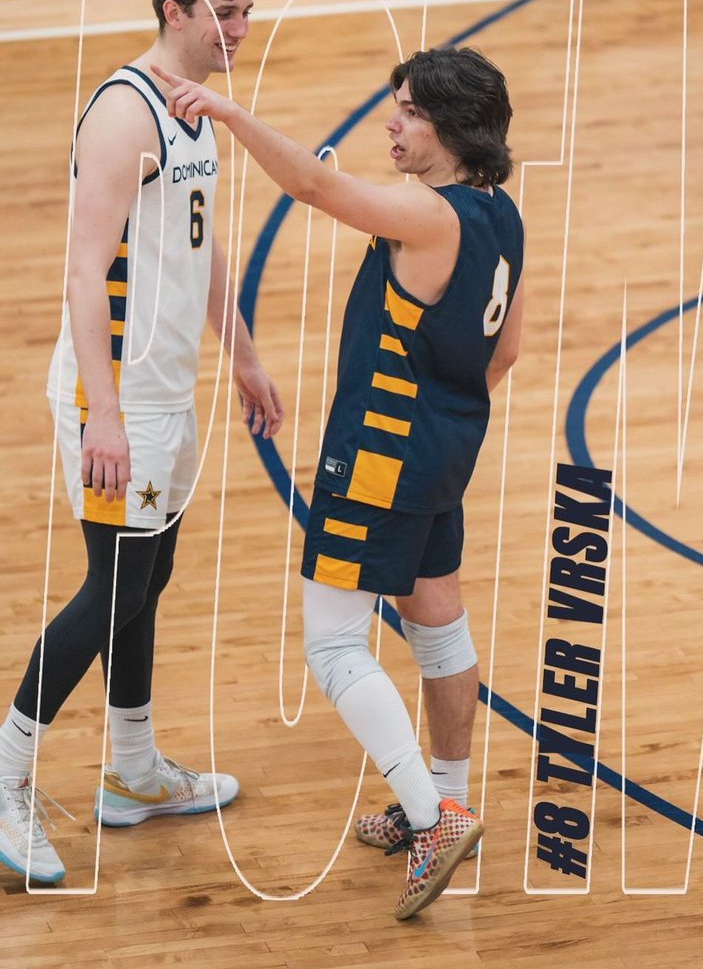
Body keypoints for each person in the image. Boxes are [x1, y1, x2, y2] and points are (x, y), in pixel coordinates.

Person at [152, 46, 525, 919]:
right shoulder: (500, 213)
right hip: (444, 450)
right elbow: (504, 351)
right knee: (438, 628)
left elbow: (317, 192)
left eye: (407, 111)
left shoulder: (427, 216)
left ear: (452, 127)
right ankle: (446, 794)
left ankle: (434, 821)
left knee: (331, 646)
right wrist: (437, 413)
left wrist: (233, 115)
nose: (389, 122)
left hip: (379, 458)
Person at [0, 0, 284, 885]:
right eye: (225, 13)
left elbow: (195, 251)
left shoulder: (195, 111)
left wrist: (241, 356)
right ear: (176, 10)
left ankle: (132, 771)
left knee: (146, 579)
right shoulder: (125, 113)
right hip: (117, 398)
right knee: (112, 588)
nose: (239, 29)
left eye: (245, 11)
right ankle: (5, 780)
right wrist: (103, 415)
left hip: (164, 393)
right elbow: (83, 275)